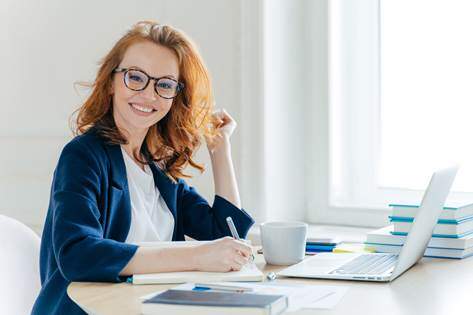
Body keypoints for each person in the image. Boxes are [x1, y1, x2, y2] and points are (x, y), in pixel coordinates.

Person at [31, 21, 254, 315]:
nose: (148, 94)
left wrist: (219, 147)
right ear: (111, 81)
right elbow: (78, 255)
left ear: (175, 96)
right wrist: (195, 256)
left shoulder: (158, 167)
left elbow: (226, 233)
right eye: (135, 77)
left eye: (164, 84)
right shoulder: (83, 156)